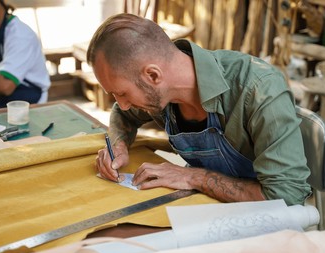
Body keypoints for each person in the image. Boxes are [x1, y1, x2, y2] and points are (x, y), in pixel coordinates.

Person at [89, 13, 311, 206]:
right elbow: (122, 112)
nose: (123, 102)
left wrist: (194, 178)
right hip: (206, 206)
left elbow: (286, 196)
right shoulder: (161, 92)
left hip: (268, 225)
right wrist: (118, 144)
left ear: (153, 75)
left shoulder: (258, 89)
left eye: (123, 93)